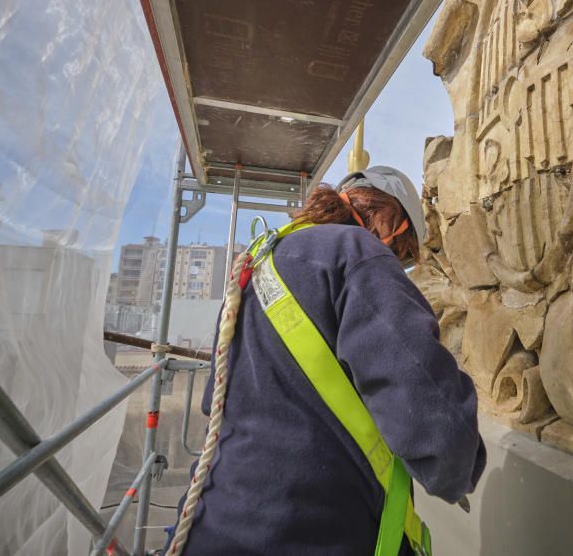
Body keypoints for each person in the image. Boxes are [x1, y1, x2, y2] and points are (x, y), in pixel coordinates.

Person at [166, 166, 486, 555]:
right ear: (387, 218)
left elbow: (216, 400)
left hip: (214, 519)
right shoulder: (359, 251)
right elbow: (426, 405)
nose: (397, 263)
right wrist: (460, 468)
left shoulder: (260, 260)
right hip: (309, 530)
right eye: (403, 252)